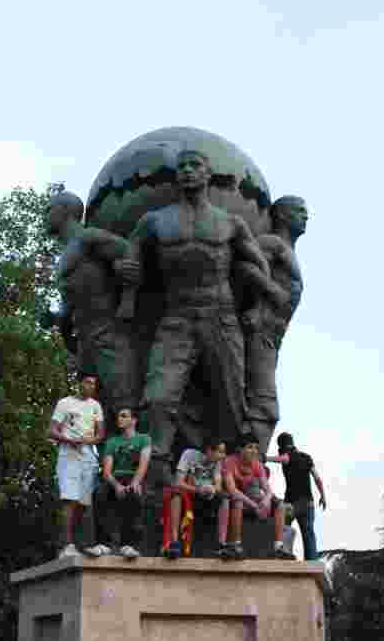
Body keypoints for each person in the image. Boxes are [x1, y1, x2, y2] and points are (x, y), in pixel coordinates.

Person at [115, 148, 287, 519]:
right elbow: (132, 253)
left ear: (207, 175)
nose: (189, 172)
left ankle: (228, 481)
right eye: (183, 167)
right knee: (159, 397)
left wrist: (256, 307)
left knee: (230, 399)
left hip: (221, 316)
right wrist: (128, 293)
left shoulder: (229, 223)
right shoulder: (155, 221)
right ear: (177, 177)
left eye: (196, 166)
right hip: (177, 317)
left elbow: (257, 265)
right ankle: (156, 476)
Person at [46, 191, 140, 422]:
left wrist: (127, 301)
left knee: (123, 402)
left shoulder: (87, 238)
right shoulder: (66, 252)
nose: (45, 214)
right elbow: (75, 299)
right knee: (91, 410)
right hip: (85, 339)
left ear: (65, 211)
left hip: (107, 332)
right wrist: (57, 318)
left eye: (49, 209)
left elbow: (129, 252)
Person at [239, 195, 308, 455]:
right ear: (281, 215)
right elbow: (246, 266)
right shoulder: (272, 243)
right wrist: (261, 302)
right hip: (260, 333)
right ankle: (253, 465)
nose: (305, 216)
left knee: (259, 402)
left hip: (273, 337)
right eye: (299, 211)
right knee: (265, 406)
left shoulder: (288, 250)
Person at [49, 372, 111, 558]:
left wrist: (91, 440)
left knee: (84, 503)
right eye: (88, 383)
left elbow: (100, 433)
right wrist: (68, 439)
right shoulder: (65, 403)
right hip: (69, 454)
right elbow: (51, 430)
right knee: (69, 499)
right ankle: (65, 545)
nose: (91, 387)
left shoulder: (95, 406)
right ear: (79, 383)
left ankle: (78, 544)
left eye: (94, 384)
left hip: (88, 455)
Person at [222, 434, 296, 559]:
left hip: (251, 500)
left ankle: (278, 547)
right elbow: (232, 490)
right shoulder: (229, 461)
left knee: (280, 505)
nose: (254, 451)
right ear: (240, 450)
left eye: (256, 448)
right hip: (234, 500)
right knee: (237, 501)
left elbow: (267, 489)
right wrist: (255, 505)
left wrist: (266, 501)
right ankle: (235, 545)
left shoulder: (257, 465)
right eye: (250, 447)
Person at [96, 406, 151, 558]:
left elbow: (143, 464)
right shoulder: (112, 441)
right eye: (119, 416)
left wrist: (135, 483)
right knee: (100, 493)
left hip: (134, 477)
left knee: (135, 496)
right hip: (115, 478)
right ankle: (103, 544)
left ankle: (128, 545)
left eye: (124, 416)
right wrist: (117, 486)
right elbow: (107, 472)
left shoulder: (144, 439)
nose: (119, 418)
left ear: (134, 420)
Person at [161, 439, 230, 559]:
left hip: (206, 498)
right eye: (220, 452)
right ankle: (174, 542)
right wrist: (198, 489)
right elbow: (178, 482)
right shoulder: (189, 455)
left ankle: (222, 544)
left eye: (223, 452)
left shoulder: (218, 462)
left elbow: (218, 486)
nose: (223, 456)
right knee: (176, 495)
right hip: (189, 494)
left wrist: (212, 489)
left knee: (225, 499)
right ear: (209, 451)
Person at [275, 431, 327, 560]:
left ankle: (285, 554)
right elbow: (317, 478)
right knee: (308, 533)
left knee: (283, 525)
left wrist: (265, 458)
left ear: (282, 447)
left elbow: (284, 459)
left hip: (292, 503)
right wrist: (323, 495)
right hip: (308, 503)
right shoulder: (306, 457)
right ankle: (312, 561)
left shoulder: (287, 455)